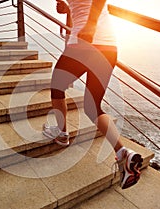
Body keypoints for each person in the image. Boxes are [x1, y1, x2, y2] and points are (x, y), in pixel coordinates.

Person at [42, 0, 143, 189]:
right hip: (108, 47)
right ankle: (124, 153)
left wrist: (89, 24)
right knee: (92, 105)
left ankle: (62, 133)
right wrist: (68, 8)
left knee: (57, 87)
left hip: (84, 44)